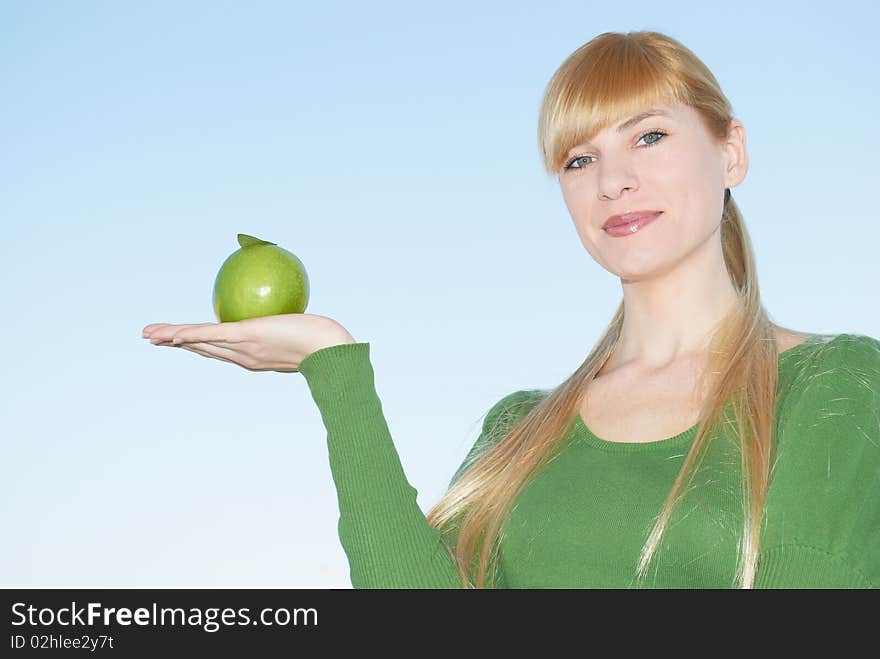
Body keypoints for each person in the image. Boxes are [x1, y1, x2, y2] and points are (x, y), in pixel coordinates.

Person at [141, 30, 880, 589]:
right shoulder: (519, 430)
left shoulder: (839, 386)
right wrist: (333, 369)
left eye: (648, 136)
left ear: (731, 153)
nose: (613, 180)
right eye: (578, 159)